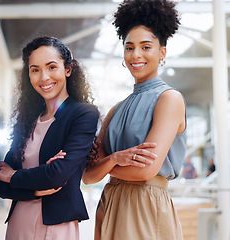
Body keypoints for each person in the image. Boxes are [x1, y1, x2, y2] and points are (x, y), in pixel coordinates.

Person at [82, 0, 186, 239]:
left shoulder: (169, 99)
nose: (136, 54)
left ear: (162, 52)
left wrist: (106, 164)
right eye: (129, 47)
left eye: (145, 47)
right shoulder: (116, 110)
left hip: (145, 205)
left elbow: (145, 171)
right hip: (110, 203)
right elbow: (88, 175)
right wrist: (117, 159)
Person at [0, 36, 99, 239]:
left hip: (56, 225)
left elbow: (57, 175)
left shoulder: (83, 114)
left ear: (67, 69)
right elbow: (1, 184)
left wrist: (14, 176)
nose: (44, 77)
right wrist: (35, 190)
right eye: (35, 70)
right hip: (18, 222)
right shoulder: (28, 120)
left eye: (51, 67)